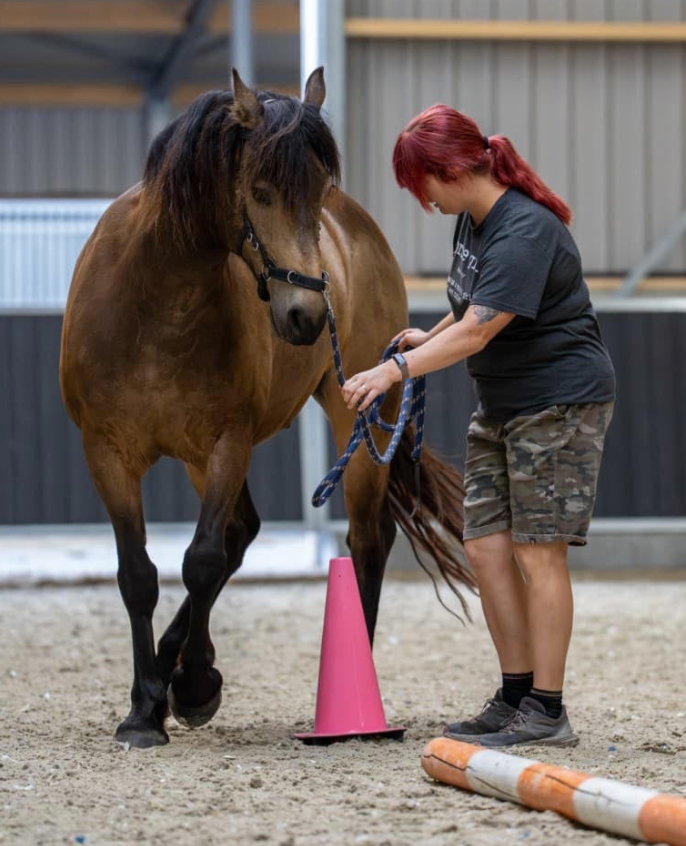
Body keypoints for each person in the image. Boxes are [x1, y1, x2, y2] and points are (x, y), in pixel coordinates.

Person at [341, 104, 615, 747]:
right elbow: (471, 307)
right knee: (485, 547)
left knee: (538, 552)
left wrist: (394, 371)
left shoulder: (525, 229)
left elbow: (479, 330)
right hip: (502, 404)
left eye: (422, 185)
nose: (424, 201)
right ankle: (516, 693)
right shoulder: (472, 221)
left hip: (558, 402)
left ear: (452, 170)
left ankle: (548, 709)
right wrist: (426, 335)